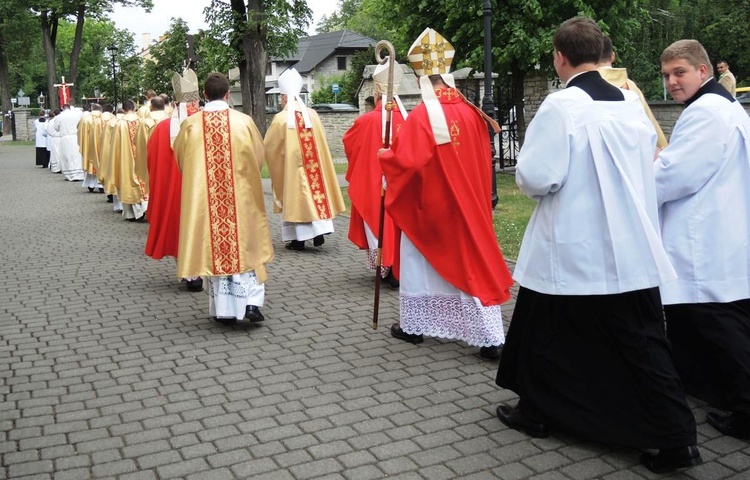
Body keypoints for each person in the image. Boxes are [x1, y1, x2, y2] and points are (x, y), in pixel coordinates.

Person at [494, 17, 701, 474]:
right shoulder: (630, 102)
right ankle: (673, 437)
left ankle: (542, 410)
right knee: (639, 339)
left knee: (543, 327)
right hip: (628, 243)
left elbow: (536, 177)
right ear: (603, 53)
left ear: (560, 57)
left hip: (573, 242)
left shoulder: (561, 105)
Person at [378, 28, 513, 360]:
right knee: (471, 262)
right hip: (468, 205)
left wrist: (385, 158)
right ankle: (489, 336)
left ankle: (415, 326)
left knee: (419, 261)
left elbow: (406, 163)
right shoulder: (471, 112)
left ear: (420, 74)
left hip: (433, 207)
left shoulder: (424, 115)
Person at [657, 39, 750, 441]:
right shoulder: (724, 105)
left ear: (703, 71)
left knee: (721, 325)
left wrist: (639, 178)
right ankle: (709, 387)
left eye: (679, 73)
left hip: (705, 234)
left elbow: (677, 175)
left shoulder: (706, 113)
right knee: (711, 321)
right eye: (666, 76)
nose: (672, 83)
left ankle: (747, 410)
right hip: (722, 226)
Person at [173, 72, 273, 323]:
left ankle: (225, 309)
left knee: (215, 249)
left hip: (207, 202)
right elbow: (258, 156)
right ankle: (251, 303)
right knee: (247, 247)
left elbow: (181, 160)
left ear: (204, 95)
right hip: (241, 197)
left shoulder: (191, 125)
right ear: (228, 94)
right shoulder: (244, 121)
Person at [265, 68, 346, 251]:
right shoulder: (313, 114)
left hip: (292, 170)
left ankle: (298, 240)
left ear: (285, 97)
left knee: (296, 200)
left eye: (282, 97)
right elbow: (322, 139)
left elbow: (270, 146)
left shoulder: (281, 118)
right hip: (314, 168)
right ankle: (318, 232)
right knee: (315, 195)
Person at [344, 58, 408, 287]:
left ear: (377, 95)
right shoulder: (409, 120)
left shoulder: (366, 121)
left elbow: (350, 145)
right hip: (403, 188)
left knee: (379, 224)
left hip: (375, 185)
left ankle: (386, 267)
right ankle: (399, 268)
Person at [145, 69, 203, 292]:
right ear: (196, 100)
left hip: (173, 192)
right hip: (199, 189)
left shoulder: (160, 128)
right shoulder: (205, 124)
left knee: (179, 226)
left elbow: (152, 161)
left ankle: (190, 274)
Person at [597, 36, 667, 149]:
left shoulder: (583, 87)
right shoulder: (629, 86)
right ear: (613, 56)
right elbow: (649, 120)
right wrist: (663, 146)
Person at [110, 99, 147, 221]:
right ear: (135, 108)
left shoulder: (119, 124)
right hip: (142, 158)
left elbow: (114, 145)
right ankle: (144, 208)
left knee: (127, 181)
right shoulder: (142, 121)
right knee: (143, 181)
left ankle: (131, 213)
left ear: (124, 110)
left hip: (126, 159)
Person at [135, 96, 170, 203]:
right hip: (168, 156)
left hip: (152, 156)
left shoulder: (145, 122)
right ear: (164, 106)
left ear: (151, 107)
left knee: (152, 180)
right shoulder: (171, 119)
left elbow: (139, 142)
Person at [77, 103, 105, 192]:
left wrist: (83, 144)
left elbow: (79, 133)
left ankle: (90, 185)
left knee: (90, 163)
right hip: (101, 147)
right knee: (100, 162)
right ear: (101, 110)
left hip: (88, 147)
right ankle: (101, 185)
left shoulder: (85, 119)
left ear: (91, 109)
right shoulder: (105, 119)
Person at [54, 103, 85, 181]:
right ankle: (78, 174)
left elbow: (56, 128)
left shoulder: (59, 117)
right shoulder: (76, 115)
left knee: (66, 156)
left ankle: (69, 174)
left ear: (62, 108)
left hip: (65, 137)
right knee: (76, 155)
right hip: (75, 137)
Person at [46, 110, 62, 174]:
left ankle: (57, 167)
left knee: (56, 153)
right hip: (61, 138)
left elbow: (49, 131)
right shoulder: (62, 120)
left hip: (55, 138)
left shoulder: (51, 121)